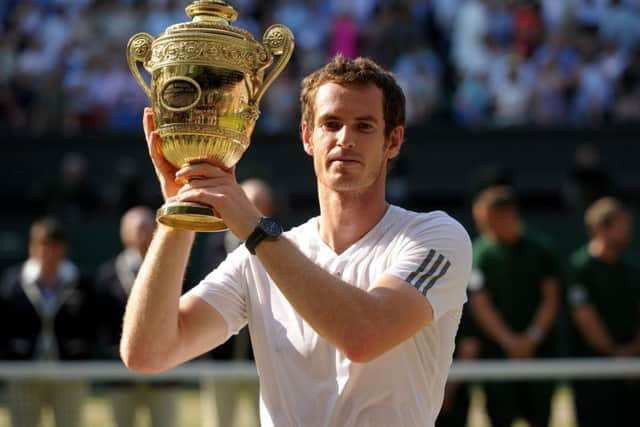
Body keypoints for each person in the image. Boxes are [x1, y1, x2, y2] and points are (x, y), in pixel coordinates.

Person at [120, 55, 472, 427]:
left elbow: (364, 336)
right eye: (331, 124)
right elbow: (147, 353)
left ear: (394, 140)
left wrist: (254, 228)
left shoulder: (436, 236)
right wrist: (180, 208)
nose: (344, 139)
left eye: (364, 126)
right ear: (308, 137)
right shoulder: (261, 257)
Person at [468, 185, 561, 427]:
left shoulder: (541, 250)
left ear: (508, 214)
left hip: (539, 353)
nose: (484, 228)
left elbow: (551, 298)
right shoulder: (480, 253)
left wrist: (532, 337)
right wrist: (508, 340)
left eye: (488, 221)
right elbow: (480, 302)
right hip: (498, 355)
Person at [0, 217, 97, 427]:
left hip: (69, 372)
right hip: (23, 372)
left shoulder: (82, 283)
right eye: (42, 245)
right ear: (32, 248)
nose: (48, 252)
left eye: (53, 246)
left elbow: (92, 324)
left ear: (63, 249)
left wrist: (79, 350)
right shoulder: (11, 283)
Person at [200, 178, 275, 427]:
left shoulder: (283, 245)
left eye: (262, 204)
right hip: (221, 357)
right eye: (251, 203)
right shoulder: (214, 245)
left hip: (264, 359)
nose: (256, 210)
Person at [95, 206, 179, 427]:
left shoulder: (172, 267)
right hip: (120, 373)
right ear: (125, 234)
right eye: (137, 228)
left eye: (148, 227)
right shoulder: (108, 275)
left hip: (164, 373)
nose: (143, 233)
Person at [567, 196, 640, 427]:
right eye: (622, 225)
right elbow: (585, 317)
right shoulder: (579, 268)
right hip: (592, 374)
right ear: (601, 227)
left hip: (632, 374)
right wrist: (616, 354)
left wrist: (632, 351)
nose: (629, 231)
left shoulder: (632, 268)